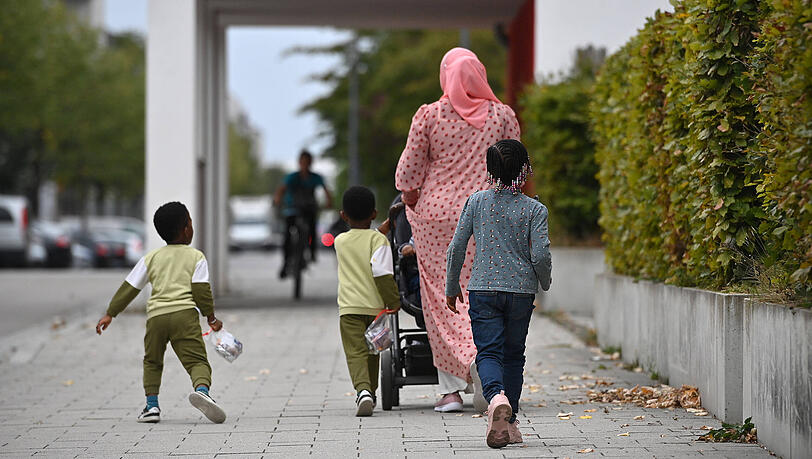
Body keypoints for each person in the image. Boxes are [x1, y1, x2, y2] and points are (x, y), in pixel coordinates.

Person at [394, 47, 521, 413]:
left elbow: (407, 175)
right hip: (491, 215)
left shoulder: (430, 115)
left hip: (438, 221)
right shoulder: (502, 116)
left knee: (444, 300)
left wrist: (411, 195)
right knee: (485, 293)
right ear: (479, 74)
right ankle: (489, 369)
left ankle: (452, 390)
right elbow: (516, 168)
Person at [446, 139, 552, 448]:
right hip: (520, 292)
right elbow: (541, 255)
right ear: (524, 169)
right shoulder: (535, 209)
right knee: (513, 355)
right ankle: (511, 420)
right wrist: (543, 282)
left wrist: (452, 286)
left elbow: (457, 248)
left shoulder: (476, 202)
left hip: (483, 289)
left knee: (488, 352)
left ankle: (495, 399)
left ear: (490, 170)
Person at [95, 201, 227, 424]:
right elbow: (201, 291)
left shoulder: (151, 257)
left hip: (156, 317)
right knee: (196, 361)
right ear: (186, 229)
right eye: (191, 222)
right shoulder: (196, 257)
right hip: (184, 316)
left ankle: (152, 406)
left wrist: (111, 313)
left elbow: (130, 287)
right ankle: (202, 391)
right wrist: (211, 318)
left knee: (152, 361)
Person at [334, 186, 401, 416]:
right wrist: (393, 301)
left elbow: (358, 241)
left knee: (355, 352)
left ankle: (362, 391)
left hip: (349, 309)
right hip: (375, 309)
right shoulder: (378, 242)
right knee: (373, 350)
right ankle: (370, 392)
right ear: (373, 213)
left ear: (344, 215)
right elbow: (382, 274)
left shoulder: (339, 241)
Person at [274, 150, 333, 277]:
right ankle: (286, 262)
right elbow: (281, 189)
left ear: (310, 163)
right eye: (303, 162)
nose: (305, 165)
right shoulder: (292, 177)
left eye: (307, 162)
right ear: (299, 163)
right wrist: (278, 199)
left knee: (311, 228)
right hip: (293, 208)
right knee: (287, 235)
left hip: (309, 208)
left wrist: (329, 202)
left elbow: (326, 190)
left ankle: (312, 252)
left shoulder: (315, 177)